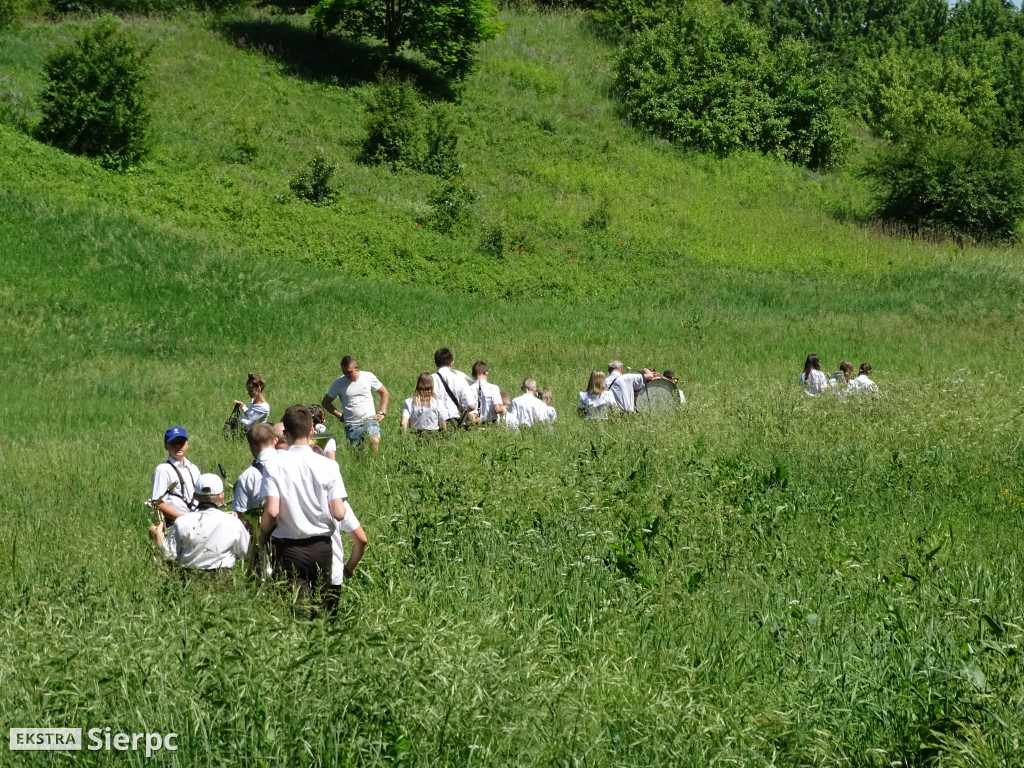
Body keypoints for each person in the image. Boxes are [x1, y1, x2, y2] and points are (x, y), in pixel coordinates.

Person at [259, 405, 354, 607]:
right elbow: (338, 513)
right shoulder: (329, 465)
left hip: (288, 548)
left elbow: (273, 511)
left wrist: (263, 535)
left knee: (296, 610)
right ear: (312, 430)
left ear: (285, 433)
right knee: (321, 608)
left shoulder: (274, 466)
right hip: (322, 548)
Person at [150, 473, 250, 571]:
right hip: (224, 580)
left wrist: (158, 534)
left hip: (189, 580)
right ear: (221, 496)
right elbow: (246, 554)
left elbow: (167, 556)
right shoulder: (233, 522)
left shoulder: (182, 522)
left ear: (195, 496)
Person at [321, 356, 390, 455]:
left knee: (374, 440)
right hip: (351, 424)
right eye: (344, 373)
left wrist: (382, 412)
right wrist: (339, 415)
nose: (347, 375)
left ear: (356, 368)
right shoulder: (338, 383)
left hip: (369, 420)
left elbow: (384, 392)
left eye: (349, 372)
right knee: (357, 455)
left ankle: (374, 463)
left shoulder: (368, 377)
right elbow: (325, 402)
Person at [151, 426, 200, 527]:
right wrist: (182, 518)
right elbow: (158, 502)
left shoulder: (194, 468)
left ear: (187, 444)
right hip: (175, 523)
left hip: (197, 521)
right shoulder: (162, 470)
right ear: (166, 446)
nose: (178, 446)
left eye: (181, 442)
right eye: (174, 443)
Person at [232, 423, 278, 517]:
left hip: (264, 530)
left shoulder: (248, 476)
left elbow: (241, 515)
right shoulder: (291, 463)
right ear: (276, 440)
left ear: (251, 447)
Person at [432, 348, 477, 427]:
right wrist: (463, 410)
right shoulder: (460, 380)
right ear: (451, 363)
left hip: (434, 422)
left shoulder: (428, 380)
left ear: (435, 362)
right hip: (454, 421)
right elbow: (472, 405)